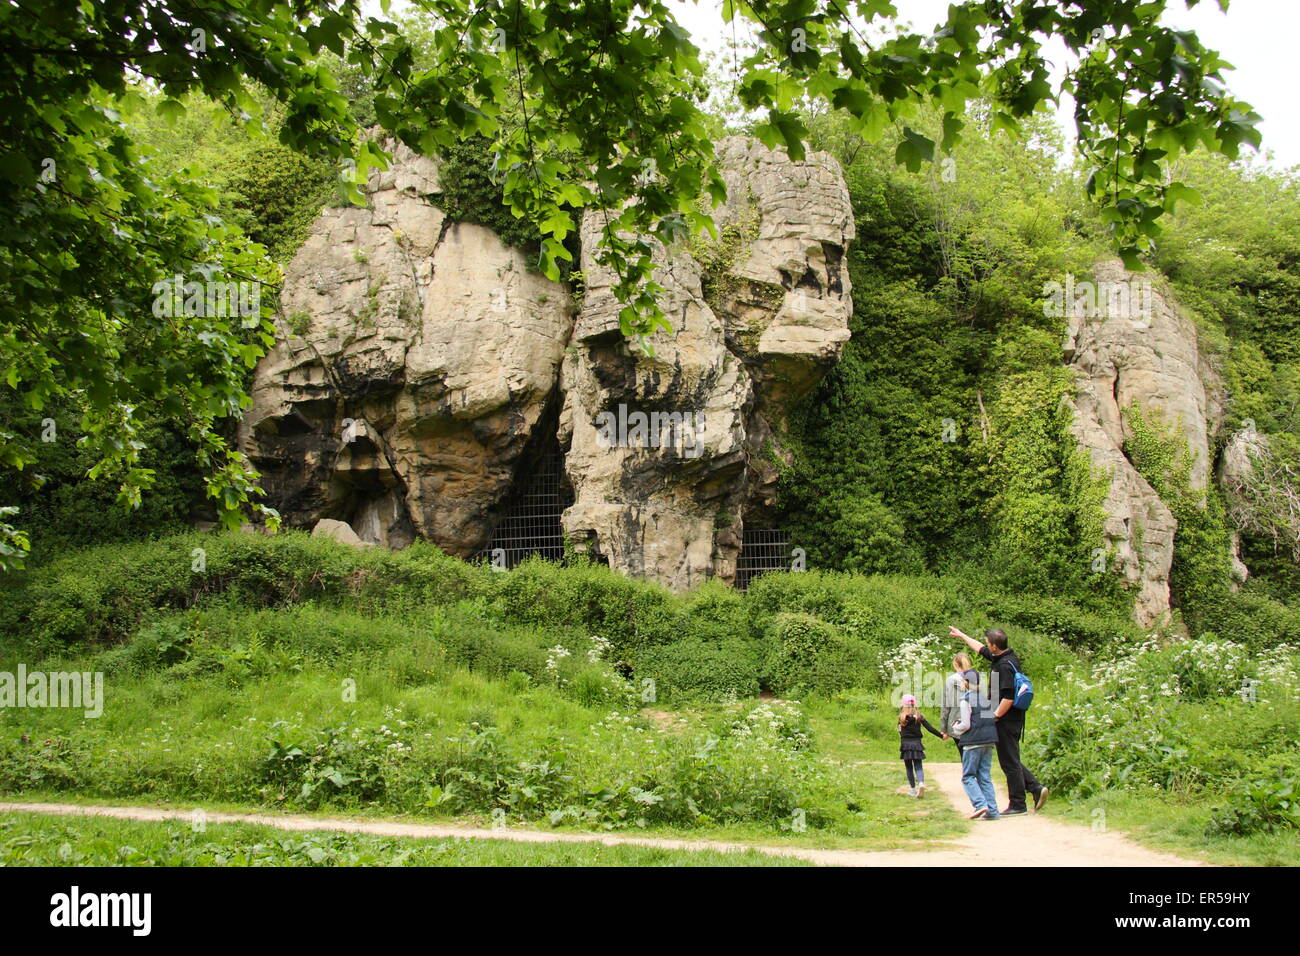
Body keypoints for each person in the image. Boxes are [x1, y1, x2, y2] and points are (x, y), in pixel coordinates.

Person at [949, 626, 1049, 816]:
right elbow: (979, 648)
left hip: (1006, 719)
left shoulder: (1004, 666)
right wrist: (962, 635)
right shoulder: (1007, 657)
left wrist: (994, 717)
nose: (986, 646)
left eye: (989, 643)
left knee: (1008, 762)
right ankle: (1035, 787)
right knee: (1011, 758)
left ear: (994, 646)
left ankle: (1018, 804)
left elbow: (1008, 698)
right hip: (1010, 718)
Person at [949, 668, 1000, 820]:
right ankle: (992, 810)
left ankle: (980, 804)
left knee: (968, 776)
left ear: (965, 683)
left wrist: (954, 727)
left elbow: (966, 725)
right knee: (984, 776)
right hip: (989, 741)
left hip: (973, 743)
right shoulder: (985, 698)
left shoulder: (966, 700)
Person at [897, 693, 944, 798]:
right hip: (917, 744)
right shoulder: (919, 717)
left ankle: (913, 789)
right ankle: (921, 783)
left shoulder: (901, 718)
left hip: (906, 745)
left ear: (903, 705)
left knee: (909, 767)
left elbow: (900, 732)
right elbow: (930, 728)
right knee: (918, 766)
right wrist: (941, 735)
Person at [939, 653, 972, 753]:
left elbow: (946, 706)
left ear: (956, 664)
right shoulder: (976, 678)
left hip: (957, 724)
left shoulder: (950, 680)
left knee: (965, 756)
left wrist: (943, 729)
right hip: (974, 724)